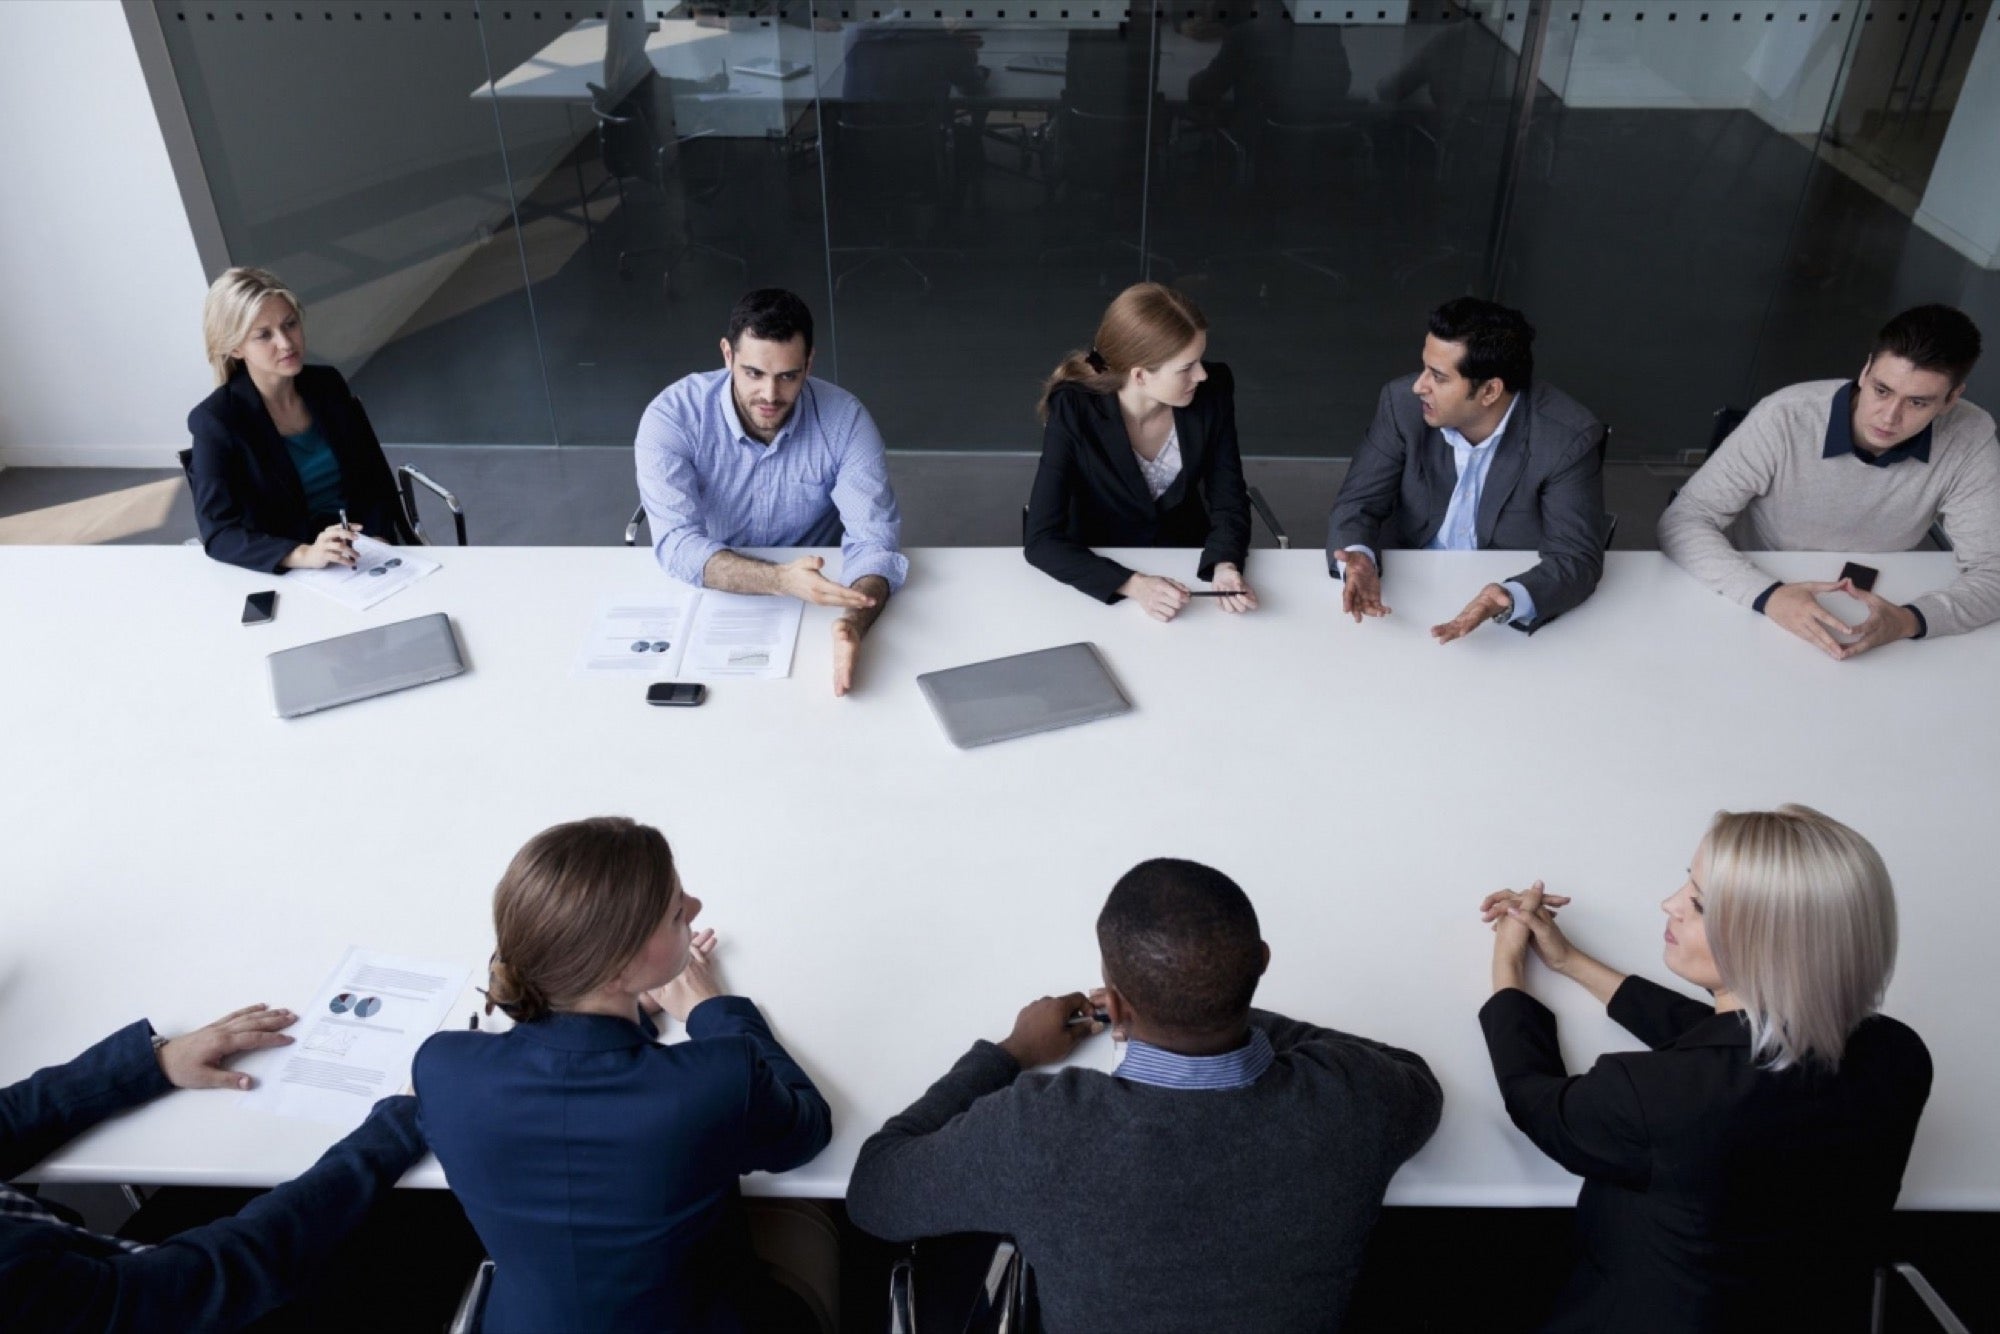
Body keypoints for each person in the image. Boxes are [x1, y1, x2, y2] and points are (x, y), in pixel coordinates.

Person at [847, 857, 1441, 1332]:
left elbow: (875, 1192)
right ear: (1262, 963)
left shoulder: (1042, 1131)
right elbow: (1412, 1073)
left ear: (1119, 1004)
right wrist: (1227, 1003)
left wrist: (1008, 1053)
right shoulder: (1355, 1099)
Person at [1478, 806, 1931, 1333]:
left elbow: (1535, 1100)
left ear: (1765, 942)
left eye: (1697, 904)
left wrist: (1508, 964)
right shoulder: (1898, 1055)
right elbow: (1732, 1042)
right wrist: (1570, 962)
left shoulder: (1653, 1095)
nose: (1668, 904)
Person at [413, 817, 834, 1334]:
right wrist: (711, 1008)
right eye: (677, 914)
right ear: (618, 971)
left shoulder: (443, 1067)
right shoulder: (720, 1078)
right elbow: (807, 1129)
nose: (696, 907)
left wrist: (625, 1012)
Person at [0, 1005, 429, 1332]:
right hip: (183, 1301)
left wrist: (154, 1063)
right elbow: (217, 1277)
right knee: (425, 1214)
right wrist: (396, 1128)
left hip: (91, 1265)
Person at [1658, 304, 2000, 658]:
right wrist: (1769, 595)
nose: (1889, 416)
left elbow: (1994, 569)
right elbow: (1685, 520)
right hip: (1756, 584)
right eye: (1882, 390)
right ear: (1866, 370)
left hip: (1883, 594)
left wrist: (1909, 621)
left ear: (1952, 399)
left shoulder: (1970, 437)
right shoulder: (1786, 417)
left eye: (1917, 402)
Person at [635, 289, 908, 696]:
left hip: (819, 596)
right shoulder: (672, 417)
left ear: (809, 363)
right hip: (713, 594)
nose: (769, 395)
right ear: (727, 355)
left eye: (788, 376)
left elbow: (874, 542)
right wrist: (780, 580)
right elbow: (677, 544)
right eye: (753, 373)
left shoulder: (845, 419)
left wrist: (854, 621)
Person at [1327, 297, 1606, 641]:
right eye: (1424, 368)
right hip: (1402, 594)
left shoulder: (1566, 438)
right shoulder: (1401, 405)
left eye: (1439, 377)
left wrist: (1510, 597)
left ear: (1490, 390)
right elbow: (1358, 504)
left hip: (1501, 603)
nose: (1419, 386)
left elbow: (1576, 558)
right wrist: (1358, 557)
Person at [1025, 284, 1257, 619]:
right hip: (1100, 571)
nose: (1202, 374)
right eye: (1186, 367)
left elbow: (1229, 498)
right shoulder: (1075, 409)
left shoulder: (1213, 391)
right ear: (1140, 376)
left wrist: (1225, 563)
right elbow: (1041, 540)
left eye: (1200, 360)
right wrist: (1134, 585)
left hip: (1186, 568)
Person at [187, 267, 410, 574]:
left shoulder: (327, 385)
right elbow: (219, 533)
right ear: (235, 347)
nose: (286, 343)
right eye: (264, 335)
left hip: (365, 551)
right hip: (295, 564)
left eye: (290, 324)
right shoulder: (217, 421)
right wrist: (304, 554)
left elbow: (374, 478)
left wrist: (378, 536)